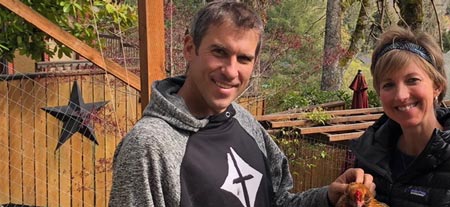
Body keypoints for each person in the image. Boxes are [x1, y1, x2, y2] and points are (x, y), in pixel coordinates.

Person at [109, 1, 373, 206]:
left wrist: (327, 198)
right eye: (219, 52)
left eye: (244, 59)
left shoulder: (245, 122)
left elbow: (279, 202)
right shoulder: (150, 146)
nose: (230, 71)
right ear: (190, 48)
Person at [350, 27, 450, 207]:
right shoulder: (369, 156)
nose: (401, 95)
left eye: (412, 80)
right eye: (388, 85)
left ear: (437, 86)